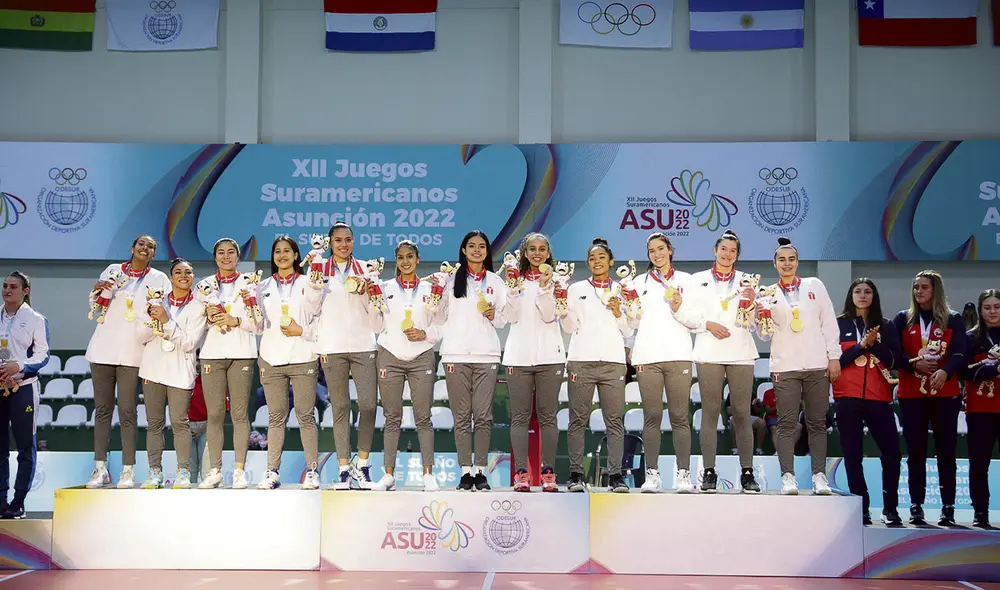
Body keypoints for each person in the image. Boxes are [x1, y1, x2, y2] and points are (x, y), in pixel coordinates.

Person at [756, 237, 840, 495]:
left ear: (797, 262)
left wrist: (833, 356)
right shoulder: (767, 293)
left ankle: (819, 476)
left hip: (816, 365)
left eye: (791, 259)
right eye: (781, 259)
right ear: (774, 264)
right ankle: (787, 476)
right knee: (786, 423)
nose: (787, 263)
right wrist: (761, 318)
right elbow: (764, 335)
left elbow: (828, 321)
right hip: (785, 367)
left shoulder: (815, 285)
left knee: (816, 423)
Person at [85, 235, 170, 489]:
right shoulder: (113, 270)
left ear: (154, 254)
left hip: (134, 352)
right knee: (102, 411)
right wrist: (97, 291)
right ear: (132, 248)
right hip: (102, 349)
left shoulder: (159, 279)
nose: (145, 248)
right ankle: (100, 469)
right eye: (141, 244)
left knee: (128, 412)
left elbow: (160, 316)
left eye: (151, 246)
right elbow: (94, 304)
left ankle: (127, 470)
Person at [687, 230, 762, 493]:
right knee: (710, 412)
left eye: (732, 250)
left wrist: (753, 305)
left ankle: (747, 472)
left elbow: (755, 323)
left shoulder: (748, 282)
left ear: (738, 255)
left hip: (741, 352)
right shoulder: (698, 280)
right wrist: (706, 324)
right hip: (708, 353)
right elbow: (687, 314)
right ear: (715, 250)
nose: (727, 253)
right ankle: (708, 472)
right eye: (723, 248)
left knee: (742, 413)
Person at [433, 231, 508, 491]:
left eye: (482, 246)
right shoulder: (450, 280)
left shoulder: (496, 282)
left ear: (487, 252)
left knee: (484, 416)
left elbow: (502, 320)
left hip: (486, 354)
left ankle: (481, 470)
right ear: (463, 250)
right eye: (472, 246)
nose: (477, 250)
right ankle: (466, 471)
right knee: (462, 416)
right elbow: (439, 317)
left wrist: (493, 313)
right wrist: (436, 292)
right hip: (455, 354)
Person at [560, 237, 635, 493]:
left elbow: (628, 330)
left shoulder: (623, 290)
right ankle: (575, 474)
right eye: (592, 258)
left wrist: (617, 312)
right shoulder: (575, 288)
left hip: (613, 362)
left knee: (614, 420)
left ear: (611, 261)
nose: (596, 261)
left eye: (601, 257)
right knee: (577, 420)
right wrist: (562, 310)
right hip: (581, 361)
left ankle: (616, 476)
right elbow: (568, 327)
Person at [891, 270, 965, 526]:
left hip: (945, 394)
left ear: (936, 290)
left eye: (924, 287)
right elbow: (894, 355)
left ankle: (948, 507)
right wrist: (913, 367)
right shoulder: (903, 319)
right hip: (912, 394)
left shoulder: (953, 319)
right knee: (915, 452)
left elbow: (960, 353)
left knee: (946, 451)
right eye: (916, 287)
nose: (919, 291)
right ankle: (916, 505)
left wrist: (945, 371)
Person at [252, 236, 324, 490]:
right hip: (271, 359)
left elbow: (316, 314)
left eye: (287, 251)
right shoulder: (260, 287)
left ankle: (312, 471)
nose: (282, 255)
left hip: (304, 357)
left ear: (296, 256)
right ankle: (272, 471)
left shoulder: (310, 282)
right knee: (276, 417)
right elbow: (257, 326)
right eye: (277, 251)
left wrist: (301, 331)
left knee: (306, 416)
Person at [368, 240, 441, 491]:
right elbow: (377, 326)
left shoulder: (432, 289)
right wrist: (372, 303)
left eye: (410, 256)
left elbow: (442, 322)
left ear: (418, 259)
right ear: (396, 261)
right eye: (400, 257)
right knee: (392, 417)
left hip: (421, 356)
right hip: (390, 354)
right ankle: (388, 475)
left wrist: (426, 334)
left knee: (423, 417)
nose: (405, 261)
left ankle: (428, 474)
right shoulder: (384, 288)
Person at [629, 233, 697, 493]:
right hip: (648, 357)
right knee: (652, 417)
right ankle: (652, 474)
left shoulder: (686, 282)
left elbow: (694, 320)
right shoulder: (637, 282)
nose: (656, 254)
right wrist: (627, 310)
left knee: (680, 417)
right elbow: (632, 323)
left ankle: (683, 474)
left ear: (670, 250)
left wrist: (679, 307)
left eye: (660, 249)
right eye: (651, 251)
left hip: (678, 354)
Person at [314, 222, 380, 490]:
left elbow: (377, 310)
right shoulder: (319, 269)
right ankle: (343, 468)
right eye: (338, 240)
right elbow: (311, 306)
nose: (344, 244)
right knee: (340, 408)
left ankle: (361, 465)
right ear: (329, 243)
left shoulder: (367, 269)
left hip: (364, 343)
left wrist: (368, 291)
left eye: (348, 240)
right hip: (332, 347)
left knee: (368, 406)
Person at [833, 278, 904, 526]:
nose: (862, 295)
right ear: (850, 295)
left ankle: (890, 507)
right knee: (853, 455)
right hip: (846, 397)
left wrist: (875, 347)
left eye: (868, 292)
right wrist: (861, 347)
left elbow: (895, 361)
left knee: (892, 453)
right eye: (858, 291)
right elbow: (835, 362)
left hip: (879, 398)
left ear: (874, 296)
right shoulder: (837, 324)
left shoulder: (886, 325)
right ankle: (860, 507)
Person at [137, 258, 207, 489]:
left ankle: (183, 471)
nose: (183, 275)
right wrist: (152, 320)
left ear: (193, 277)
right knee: (154, 424)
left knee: (180, 422)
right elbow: (141, 337)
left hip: (180, 371)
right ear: (171, 278)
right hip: (153, 369)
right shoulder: (154, 302)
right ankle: (154, 472)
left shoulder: (198, 306)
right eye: (178, 272)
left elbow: (188, 343)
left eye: (188, 272)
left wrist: (166, 322)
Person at [502, 233, 564, 493]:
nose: (537, 253)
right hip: (519, 357)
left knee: (549, 417)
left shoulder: (559, 280)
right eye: (532, 249)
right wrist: (514, 290)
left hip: (550, 357)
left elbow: (551, 315)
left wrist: (545, 287)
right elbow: (509, 316)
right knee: (520, 417)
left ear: (548, 252)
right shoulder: (513, 281)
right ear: (525, 253)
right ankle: (521, 474)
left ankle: (548, 472)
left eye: (542, 249)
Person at [196, 238, 258, 489]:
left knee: (241, 414)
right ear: (215, 257)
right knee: (215, 414)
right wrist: (209, 318)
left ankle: (239, 471)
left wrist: (236, 321)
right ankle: (215, 471)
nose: (225, 257)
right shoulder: (204, 286)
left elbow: (258, 322)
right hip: (212, 353)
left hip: (242, 352)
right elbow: (195, 322)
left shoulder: (250, 283)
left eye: (231, 253)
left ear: (238, 257)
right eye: (220, 253)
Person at [0, 272, 49, 519]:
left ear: (25, 291)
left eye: (13, 287)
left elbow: (42, 355)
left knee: (24, 448)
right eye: (5, 286)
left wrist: (18, 366)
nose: (7, 290)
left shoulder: (36, 319)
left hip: (24, 388)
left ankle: (18, 502)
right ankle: (0, 501)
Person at [962, 288, 1000, 529]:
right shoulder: (971, 337)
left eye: (997, 306)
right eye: (987, 307)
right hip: (980, 409)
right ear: (980, 310)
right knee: (979, 464)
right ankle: (980, 512)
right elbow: (964, 371)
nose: (993, 311)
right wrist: (993, 370)